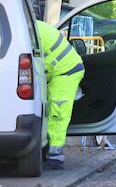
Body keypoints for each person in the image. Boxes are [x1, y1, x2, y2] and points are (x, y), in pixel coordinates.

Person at [36, 20, 85, 170]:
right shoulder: (32, 25)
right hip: (60, 70)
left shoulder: (27, 29)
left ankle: (55, 156)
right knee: (52, 110)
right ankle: (48, 150)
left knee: (58, 113)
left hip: (65, 71)